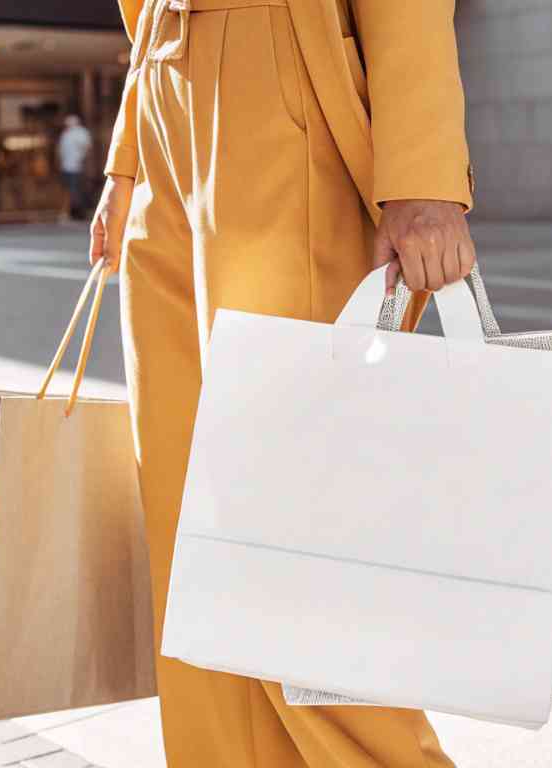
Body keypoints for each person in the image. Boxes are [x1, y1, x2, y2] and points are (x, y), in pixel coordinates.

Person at [90, 1, 476, 765]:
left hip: (282, 69)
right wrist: (127, 152)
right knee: (186, 517)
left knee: (295, 529)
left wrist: (423, 176)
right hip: (162, 82)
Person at [57, 114, 92, 220]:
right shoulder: (66, 134)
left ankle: (79, 213)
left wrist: (82, 160)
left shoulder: (80, 133)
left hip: (76, 167)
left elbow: (87, 147)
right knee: (69, 190)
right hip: (67, 166)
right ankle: (71, 213)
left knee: (74, 190)